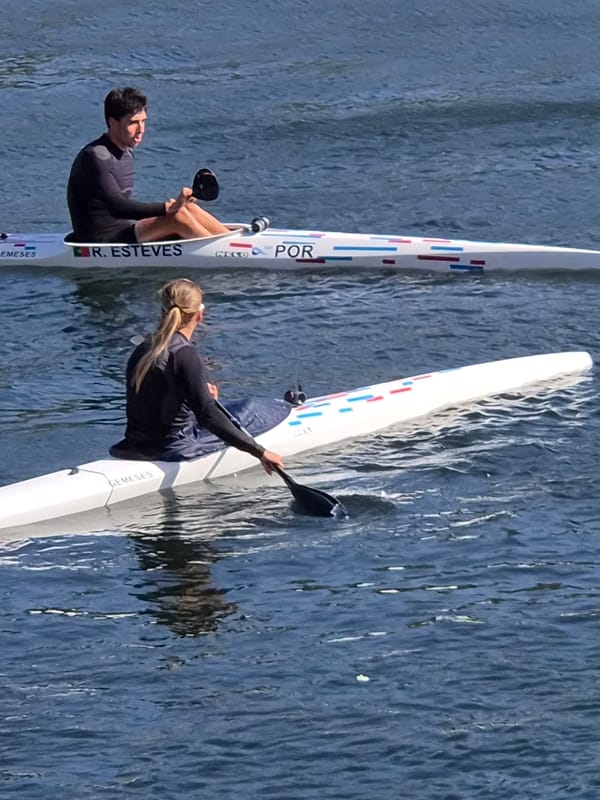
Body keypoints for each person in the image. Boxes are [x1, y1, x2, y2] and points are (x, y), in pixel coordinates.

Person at [110, 278, 284, 473]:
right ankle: (289, 405)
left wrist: (200, 397)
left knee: (232, 410)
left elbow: (156, 400)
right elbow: (208, 416)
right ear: (200, 315)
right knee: (252, 409)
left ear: (162, 313)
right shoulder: (185, 354)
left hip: (134, 444)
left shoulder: (143, 348)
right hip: (174, 446)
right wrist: (260, 452)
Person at [67, 86, 230, 243]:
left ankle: (232, 243)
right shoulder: (96, 157)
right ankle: (227, 255)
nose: (141, 129)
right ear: (113, 122)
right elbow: (117, 207)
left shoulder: (126, 152)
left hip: (125, 227)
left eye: (143, 121)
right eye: (133, 123)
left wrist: (174, 206)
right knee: (177, 217)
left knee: (189, 209)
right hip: (100, 239)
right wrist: (167, 208)